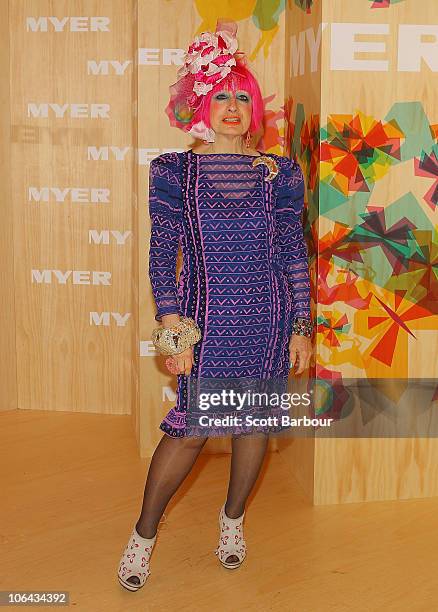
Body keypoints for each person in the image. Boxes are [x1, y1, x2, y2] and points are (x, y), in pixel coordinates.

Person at [117, 20, 313, 592]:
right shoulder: (173, 172)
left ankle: (232, 522)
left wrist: (301, 325)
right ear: (200, 103)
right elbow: (163, 258)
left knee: (252, 423)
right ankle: (143, 535)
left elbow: (292, 254)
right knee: (191, 432)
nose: (232, 106)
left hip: (271, 320)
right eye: (220, 95)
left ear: (255, 109)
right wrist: (172, 330)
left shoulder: (280, 172)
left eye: (242, 96)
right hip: (207, 325)